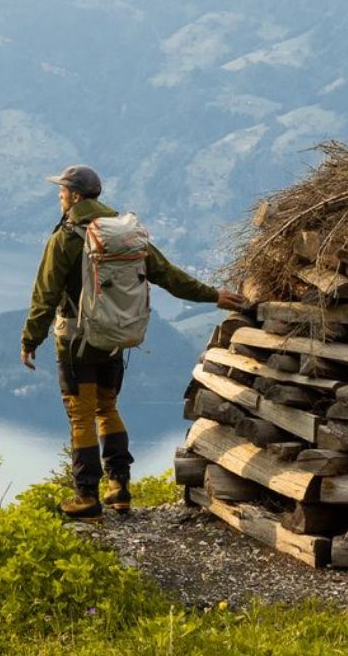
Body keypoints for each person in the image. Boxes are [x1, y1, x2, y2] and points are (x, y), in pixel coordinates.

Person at [20, 164, 246, 520]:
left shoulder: (65, 239)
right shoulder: (124, 234)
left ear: (76, 196)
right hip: (114, 339)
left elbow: (45, 295)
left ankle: (86, 497)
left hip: (76, 343)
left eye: (62, 190)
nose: (59, 195)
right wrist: (213, 295)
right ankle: (120, 488)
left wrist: (31, 338)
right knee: (107, 408)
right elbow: (168, 275)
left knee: (81, 417)